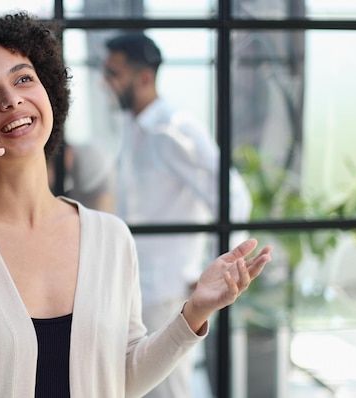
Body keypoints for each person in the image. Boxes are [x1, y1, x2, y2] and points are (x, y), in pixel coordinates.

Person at [0, 12, 272, 398]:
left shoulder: (110, 236)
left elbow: (120, 378)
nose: (12, 99)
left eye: (24, 78)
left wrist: (195, 311)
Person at [103, 32, 253, 398]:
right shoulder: (133, 127)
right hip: (139, 287)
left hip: (168, 289)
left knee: (168, 390)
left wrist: (210, 269)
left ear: (144, 78)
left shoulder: (174, 129)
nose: (105, 82)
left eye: (113, 73)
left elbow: (233, 196)